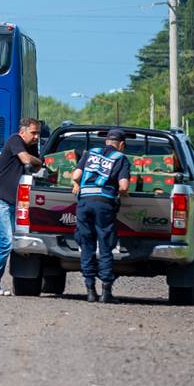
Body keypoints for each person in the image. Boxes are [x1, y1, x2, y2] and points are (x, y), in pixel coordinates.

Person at [0, 117, 42, 296]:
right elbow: (27, 161)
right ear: (23, 132)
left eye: (38, 133)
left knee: (16, 242)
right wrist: (37, 161)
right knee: (5, 241)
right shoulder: (15, 140)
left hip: (14, 202)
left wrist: (36, 161)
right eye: (33, 133)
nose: (36, 137)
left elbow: (35, 166)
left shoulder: (31, 146)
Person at [71, 127, 131, 303]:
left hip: (84, 203)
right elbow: (124, 186)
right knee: (105, 245)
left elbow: (76, 175)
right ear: (121, 145)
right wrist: (123, 194)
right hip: (104, 203)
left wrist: (78, 184)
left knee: (86, 243)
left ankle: (90, 291)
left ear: (106, 141)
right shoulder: (121, 158)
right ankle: (106, 292)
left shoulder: (90, 153)